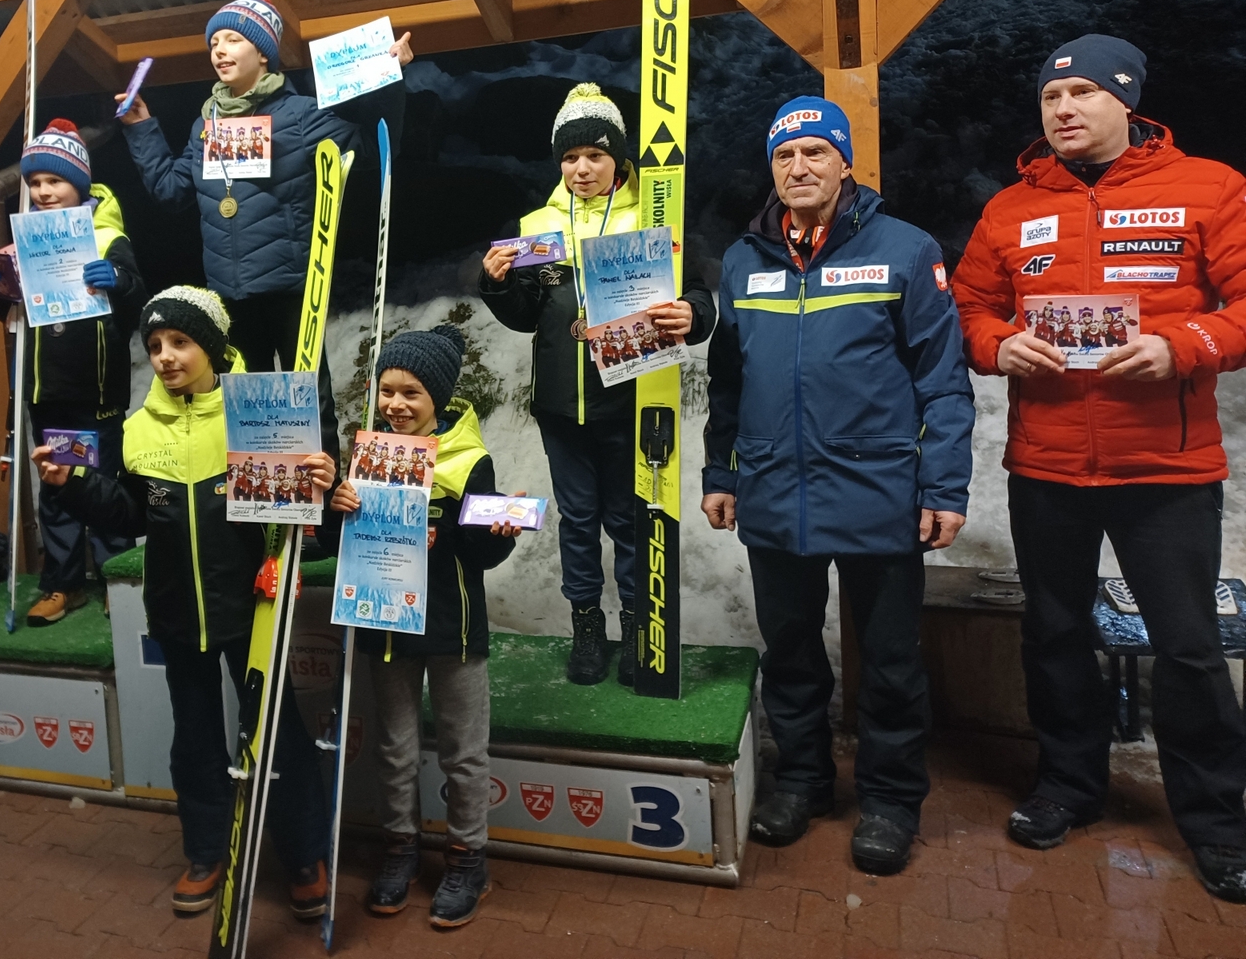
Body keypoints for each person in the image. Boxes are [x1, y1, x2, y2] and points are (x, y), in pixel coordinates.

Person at [951, 35, 1246, 903]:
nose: (1064, 109)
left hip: (1165, 465)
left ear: (1127, 101)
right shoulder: (1011, 208)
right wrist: (999, 346)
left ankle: (1217, 821)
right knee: (1053, 631)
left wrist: (1183, 344)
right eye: (1051, 98)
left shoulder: (1210, 187)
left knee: (1188, 645)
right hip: (1047, 465)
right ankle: (1068, 786)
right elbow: (968, 306)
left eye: (1082, 93)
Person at [701, 96, 974, 875]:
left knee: (888, 660)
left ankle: (890, 800)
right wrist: (722, 472)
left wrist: (944, 486)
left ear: (844, 162)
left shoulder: (904, 250)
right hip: (773, 491)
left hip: (876, 491)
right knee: (790, 651)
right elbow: (728, 382)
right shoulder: (745, 260)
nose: (799, 167)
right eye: (784, 156)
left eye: (815, 152)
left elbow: (942, 379)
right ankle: (804, 781)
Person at [32, 286, 335, 920]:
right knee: (194, 741)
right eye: (155, 346)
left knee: (276, 733)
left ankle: (304, 855)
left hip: (252, 607)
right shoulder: (139, 427)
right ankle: (205, 853)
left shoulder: (258, 413)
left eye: (181, 342)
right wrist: (74, 482)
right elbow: (131, 513)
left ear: (213, 348)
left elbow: (299, 518)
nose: (166, 356)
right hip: (176, 611)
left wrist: (317, 486)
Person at [479, 83, 715, 686]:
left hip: (632, 402)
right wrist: (498, 284)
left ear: (619, 159)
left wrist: (693, 313)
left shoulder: (653, 215)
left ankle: (639, 628)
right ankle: (587, 628)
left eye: (595, 155)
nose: (581, 168)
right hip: (561, 408)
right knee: (578, 521)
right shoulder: (537, 227)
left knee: (631, 521)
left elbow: (696, 296)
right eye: (569, 157)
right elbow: (525, 316)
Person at [117, 0, 411, 466]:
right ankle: (257, 505)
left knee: (307, 404)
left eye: (233, 39)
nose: (219, 49)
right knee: (245, 414)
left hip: (292, 290)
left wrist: (389, 81)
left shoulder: (301, 115)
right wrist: (142, 128)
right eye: (214, 42)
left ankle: (321, 502)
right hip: (229, 296)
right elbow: (170, 191)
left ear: (263, 53)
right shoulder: (205, 126)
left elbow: (376, 150)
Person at [324, 324, 521, 928]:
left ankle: (467, 859)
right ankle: (400, 850)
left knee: (464, 753)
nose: (396, 404)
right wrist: (337, 509)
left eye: (411, 393)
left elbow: (483, 556)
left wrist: (492, 535)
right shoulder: (368, 457)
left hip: (454, 630)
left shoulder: (469, 459)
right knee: (396, 749)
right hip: (387, 625)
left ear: (437, 396)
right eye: (387, 391)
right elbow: (342, 545)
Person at [0, 119, 146, 626]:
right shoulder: (24, 243)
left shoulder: (108, 236)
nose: (43, 191)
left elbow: (137, 302)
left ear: (80, 182)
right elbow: (15, 313)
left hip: (95, 389)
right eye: (34, 182)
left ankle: (116, 578)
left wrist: (117, 279)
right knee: (56, 485)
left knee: (101, 482)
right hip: (46, 390)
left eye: (55, 180)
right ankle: (63, 583)